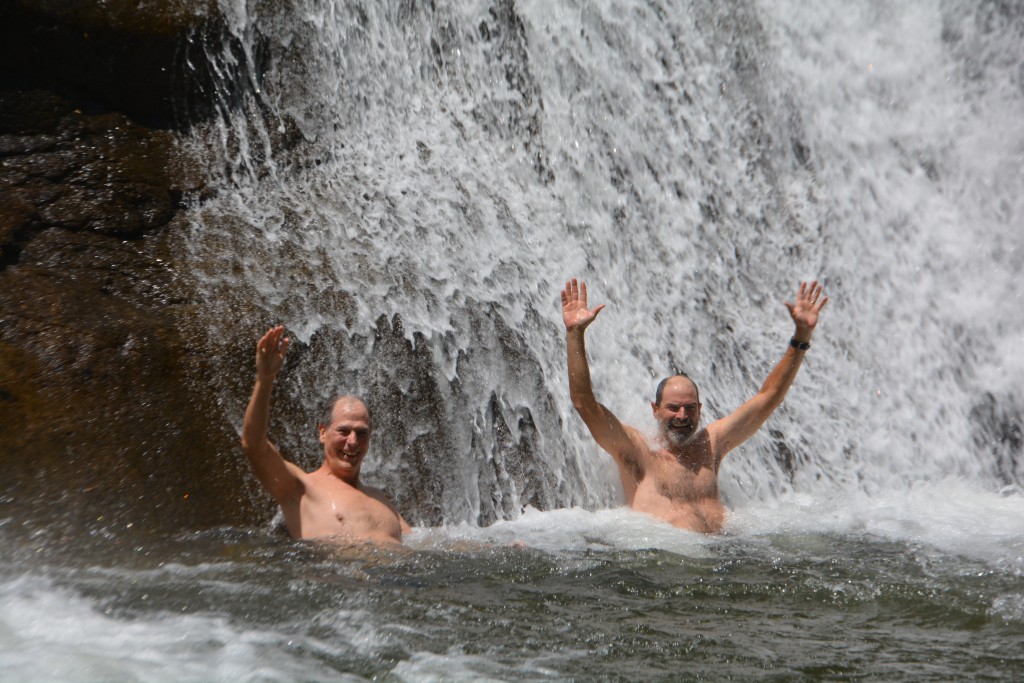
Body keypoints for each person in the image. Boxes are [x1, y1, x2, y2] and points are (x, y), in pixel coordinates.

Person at [561, 278, 828, 533]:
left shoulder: (711, 446)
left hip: (720, 560)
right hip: (667, 566)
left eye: (690, 408)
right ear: (655, 409)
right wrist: (575, 333)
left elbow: (768, 398)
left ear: (700, 410)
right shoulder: (638, 452)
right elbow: (584, 404)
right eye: (673, 407)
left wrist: (801, 337)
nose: (682, 415)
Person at [241, 325, 411, 545]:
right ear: (322, 432)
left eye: (361, 433)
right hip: (337, 576)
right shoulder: (300, 488)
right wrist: (265, 379)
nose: (353, 441)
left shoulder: (381, 500)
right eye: (343, 431)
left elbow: (426, 544)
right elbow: (253, 446)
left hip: (395, 577)